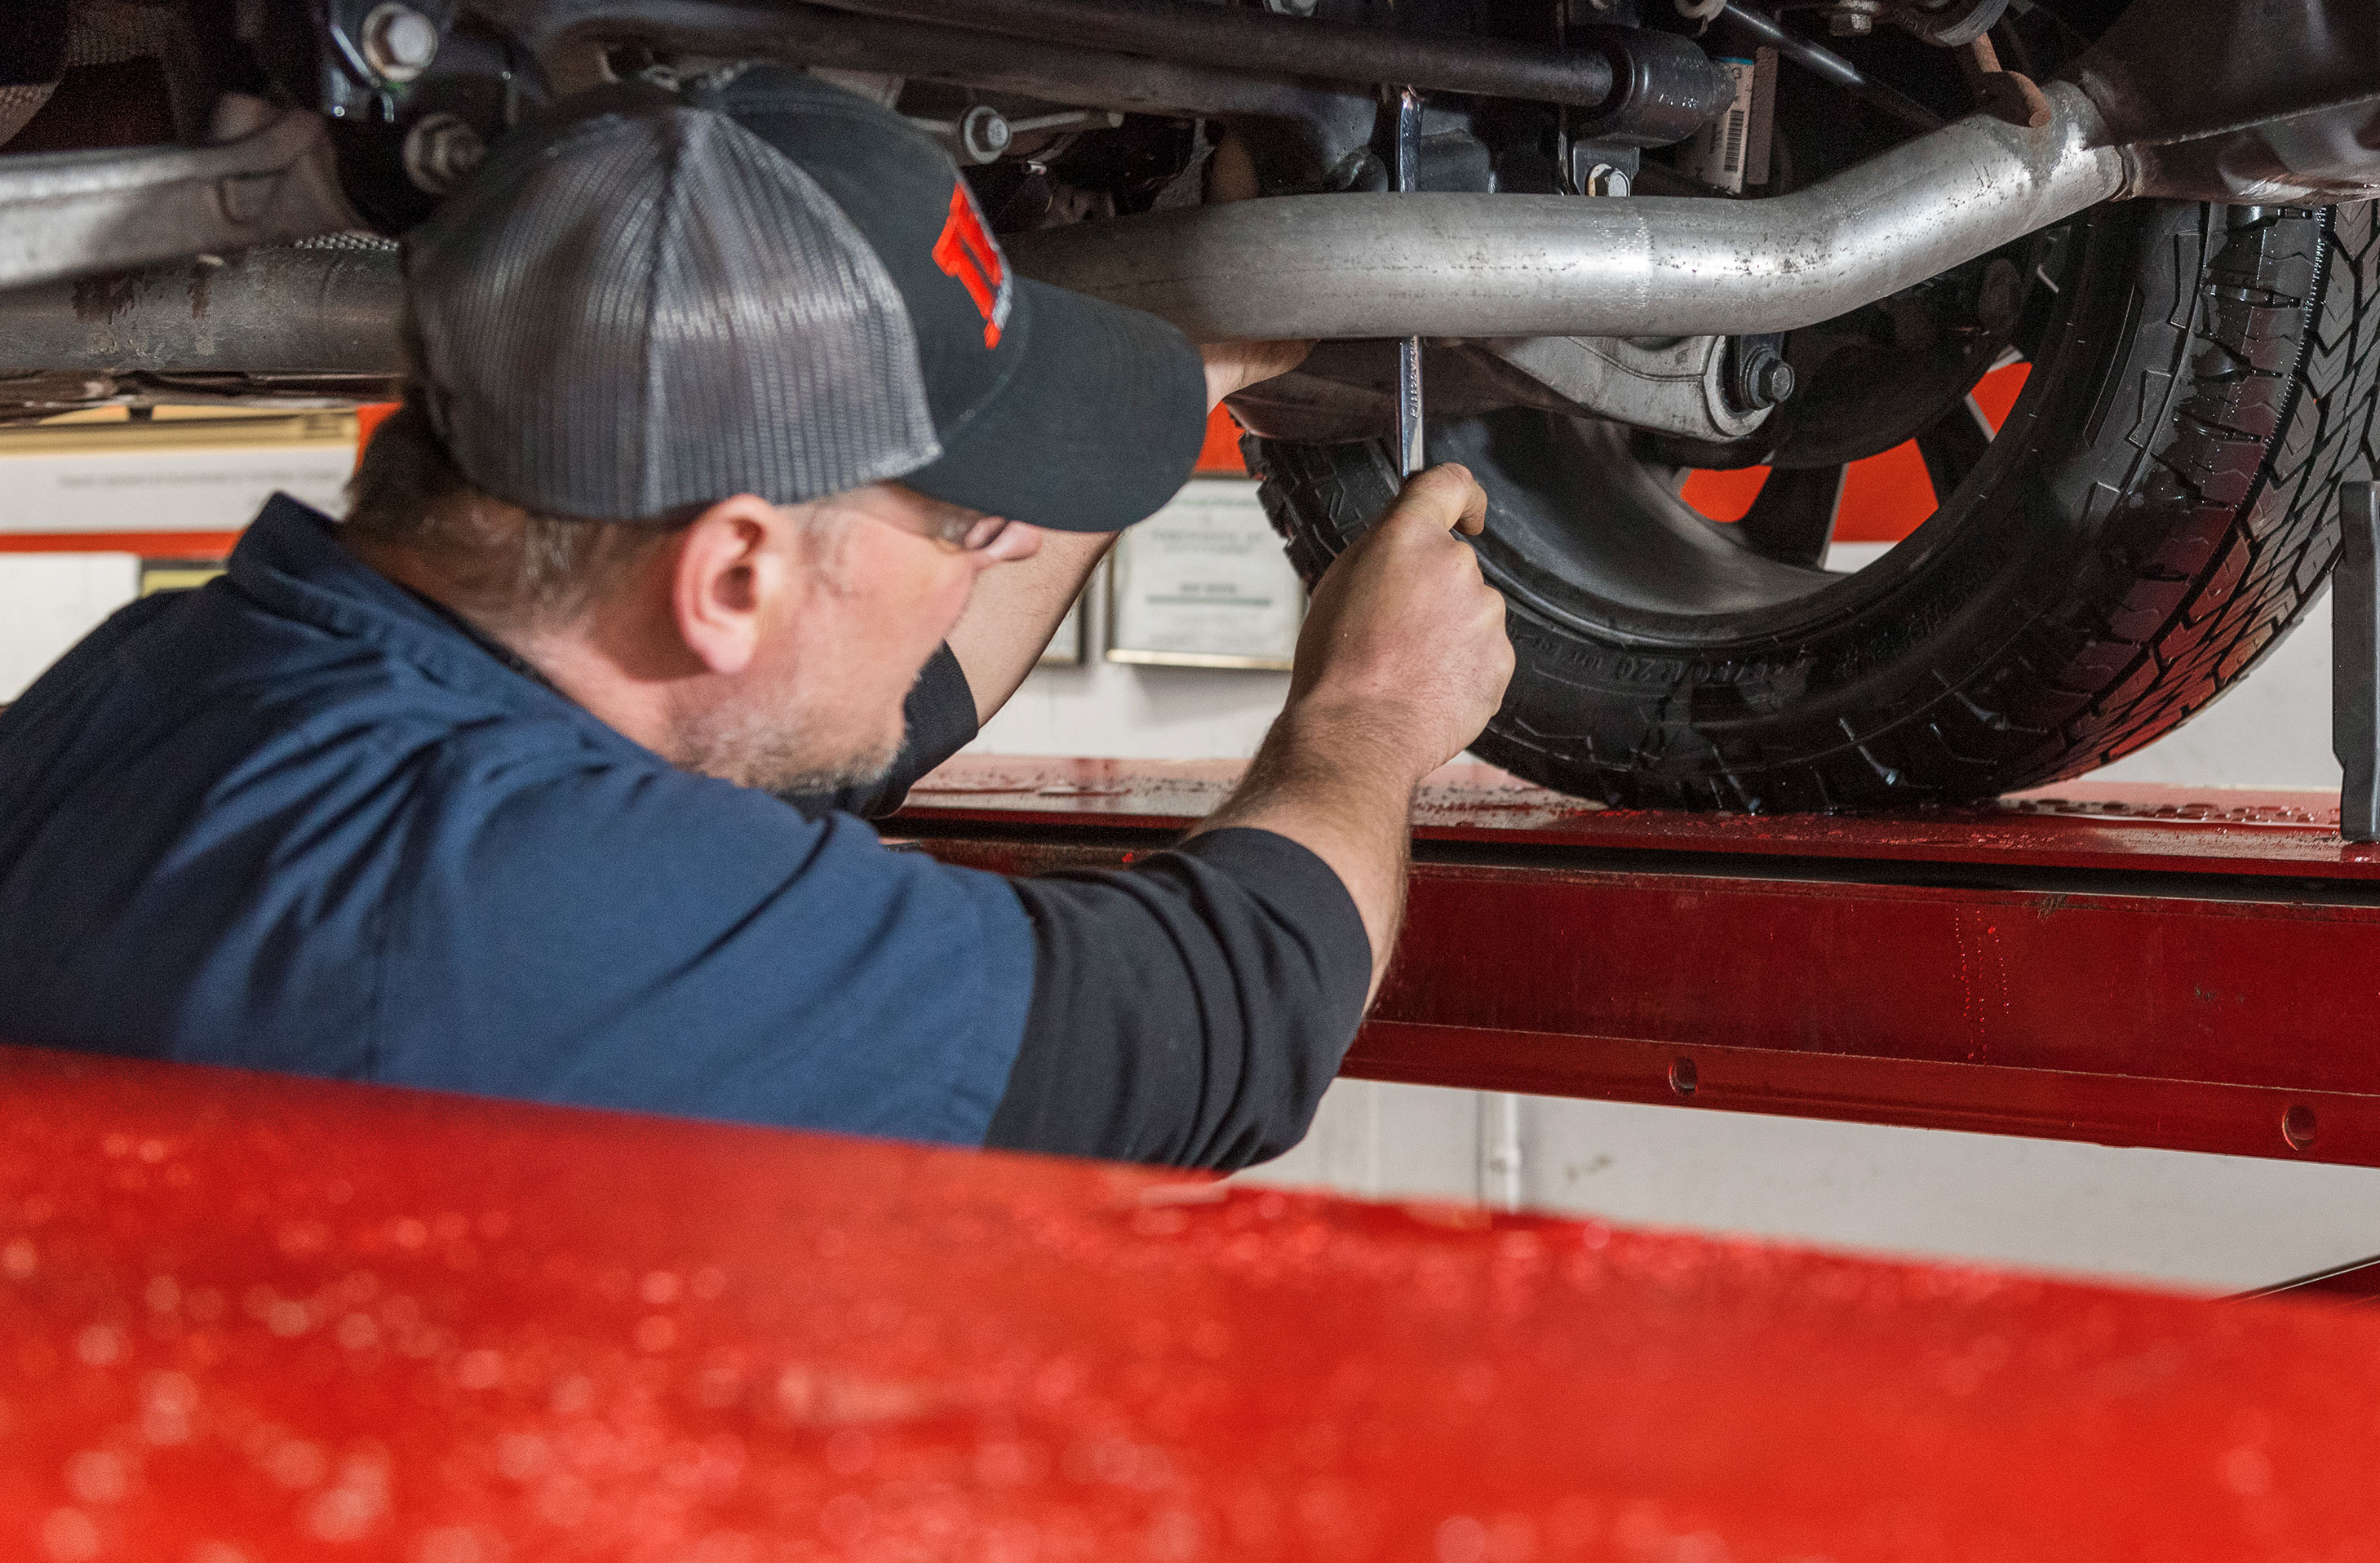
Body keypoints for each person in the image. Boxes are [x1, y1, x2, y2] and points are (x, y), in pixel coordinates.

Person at [0, 69, 1516, 1169]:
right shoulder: (511, 911)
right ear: (729, 573)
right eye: (968, 525)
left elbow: (833, 717)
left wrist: (1180, 364)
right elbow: (1216, 1018)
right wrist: (1369, 715)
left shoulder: (190, 680)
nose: (991, 559)